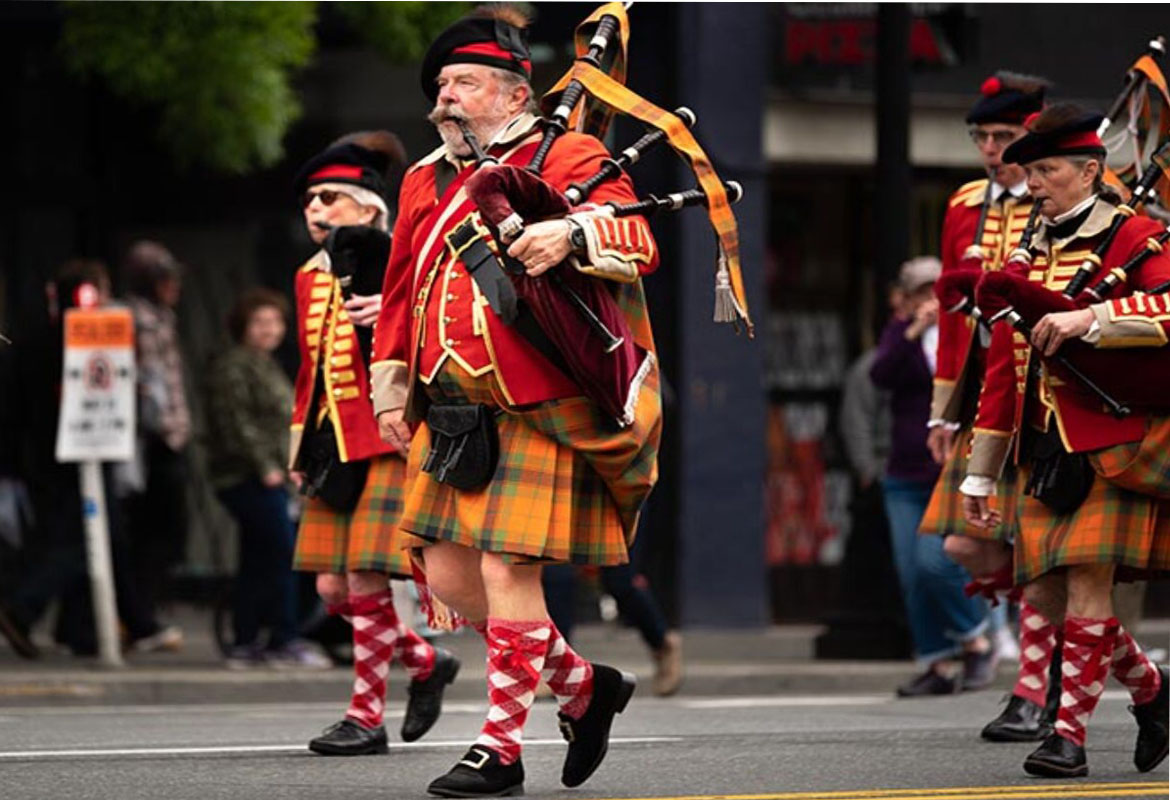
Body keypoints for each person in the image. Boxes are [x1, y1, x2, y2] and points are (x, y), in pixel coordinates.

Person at [370, 7, 662, 797]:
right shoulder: (425, 177)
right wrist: (392, 386)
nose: (447, 96)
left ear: (512, 91)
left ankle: (500, 750)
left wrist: (571, 235)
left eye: (464, 83)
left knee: (507, 568)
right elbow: (401, 289)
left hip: (537, 398)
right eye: (441, 85)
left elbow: (640, 240)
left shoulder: (569, 152)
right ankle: (584, 689)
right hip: (451, 406)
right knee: (449, 577)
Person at [961, 103, 1169, 778]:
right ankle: (1152, 691)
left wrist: (1094, 318)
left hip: (1116, 438)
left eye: (1047, 170)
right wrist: (979, 474)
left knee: (1086, 585)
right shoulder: (1028, 252)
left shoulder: (1135, 237)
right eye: (1031, 173)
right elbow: (1001, 370)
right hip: (1043, 448)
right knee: (1046, 595)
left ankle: (1067, 740)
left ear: (1089, 171)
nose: (1035, 184)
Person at [289, 131, 459, 756]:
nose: (314, 208)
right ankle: (424, 660)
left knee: (364, 578)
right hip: (332, 446)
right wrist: (298, 454)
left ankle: (365, 717)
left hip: (386, 438)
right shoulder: (309, 275)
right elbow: (310, 372)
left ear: (367, 207)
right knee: (331, 590)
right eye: (309, 199)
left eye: (329, 197)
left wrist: (394, 309)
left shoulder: (400, 261)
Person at [922, 72, 1064, 740]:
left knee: (1041, 547)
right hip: (989, 388)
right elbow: (952, 319)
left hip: (1054, 389)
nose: (990, 149)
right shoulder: (962, 204)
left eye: (1004, 137)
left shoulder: (1076, 195)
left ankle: (1037, 687)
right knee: (968, 545)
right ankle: (1092, 650)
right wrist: (943, 412)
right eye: (982, 136)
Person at [0, 260, 178, 657]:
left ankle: (85, 628)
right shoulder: (98, 340)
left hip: (49, 457)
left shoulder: (33, 340)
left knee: (98, 539)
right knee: (83, 541)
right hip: (80, 454)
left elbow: (12, 409)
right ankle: (23, 607)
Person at [871, 257, 994, 697]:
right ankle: (936, 663)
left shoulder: (965, 329)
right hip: (905, 469)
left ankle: (975, 639)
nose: (930, 300)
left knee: (935, 562)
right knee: (910, 571)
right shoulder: (900, 334)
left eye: (935, 291)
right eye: (921, 292)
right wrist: (910, 332)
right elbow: (879, 375)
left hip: (951, 469)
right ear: (906, 298)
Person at [205, 288, 329, 668]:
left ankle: (246, 640)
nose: (269, 330)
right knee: (281, 556)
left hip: (273, 476)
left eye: (275, 322)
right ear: (243, 326)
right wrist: (268, 468)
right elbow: (237, 424)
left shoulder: (266, 363)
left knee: (258, 559)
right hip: (250, 477)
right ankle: (283, 637)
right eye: (260, 322)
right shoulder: (234, 365)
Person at [120, 240, 190, 649]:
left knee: (163, 532)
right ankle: (139, 616)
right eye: (167, 278)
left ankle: (142, 612)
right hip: (151, 437)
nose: (174, 286)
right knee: (151, 531)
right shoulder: (134, 319)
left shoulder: (161, 316)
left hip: (167, 433)